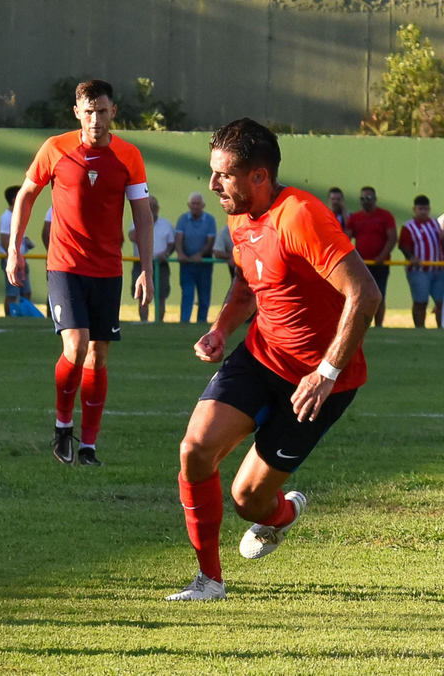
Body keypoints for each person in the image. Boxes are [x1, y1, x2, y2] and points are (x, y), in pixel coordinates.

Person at [168, 118, 379, 602]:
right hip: (261, 357)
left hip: (322, 383)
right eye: (213, 172)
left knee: (248, 501)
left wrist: (326, 372)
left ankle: (283, 513)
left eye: (223, 175)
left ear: (259, 177)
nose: (212, 184)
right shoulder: (239, 213)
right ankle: (209, 582)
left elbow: (364, 295)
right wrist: (221, 330)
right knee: (195, 450)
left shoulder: (301, 216)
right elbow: (248, 284)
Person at [7, 79, 154, 468]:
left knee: (98, 355)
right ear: (77, 113)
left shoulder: (129, 156)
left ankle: (88, 445)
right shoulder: (55, 148)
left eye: (102, 111)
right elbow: (26, 195)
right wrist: (13, 250)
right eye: (88, 112)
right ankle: (62, 425)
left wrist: (145, 269)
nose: (95, 119)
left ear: (113, 113)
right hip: (65, 265)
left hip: (108, 269)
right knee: (76, 345)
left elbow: (142, 214)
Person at [346, 187, 396, 327]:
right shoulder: (355, 217)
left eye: (368, 198)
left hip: (380, 264)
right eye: (362, 199)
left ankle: (379, 325)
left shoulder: (385, 216)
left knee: (379, 295)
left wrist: (381, 256)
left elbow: (392, 238)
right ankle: (361, 326)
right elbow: (345, 237)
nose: (365, 202)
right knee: (361, 296)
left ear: (375, 199)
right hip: (362, 264)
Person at [398, 195, 444, 329]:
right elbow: (403, 245)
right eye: (420, 209)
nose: (423, 212)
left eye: (426, 209)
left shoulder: (435, 224)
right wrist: (411, 257)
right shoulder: (409, 226)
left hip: (437, 269)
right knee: (420, 302)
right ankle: (420, 329)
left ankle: (440, 329)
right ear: (414, 209)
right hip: (419, 271)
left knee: (440, 302)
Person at [175, 191, 218, 325]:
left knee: (204, 295)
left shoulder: (210, 220)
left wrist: (200, 255)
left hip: (204, 263)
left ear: (203, 205)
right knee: (187, 293)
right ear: (189, 205)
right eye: (193, 203)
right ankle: (184, 322)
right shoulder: (183, 219)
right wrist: (180, 253)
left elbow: (210, 241)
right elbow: (178, 238)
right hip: (187, 264)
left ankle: (201, 322)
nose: (195, 206)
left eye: (198, 204)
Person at [131, 195, 176, 323]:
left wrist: (166, 254)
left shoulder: (166, 225)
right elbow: (131, 235)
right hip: (140, 264)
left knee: (161, 295)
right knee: (141, 294)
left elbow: (172, 244)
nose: (152, 209)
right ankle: (144, 321)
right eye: (149, 206)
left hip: (160, 264)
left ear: (158, 208)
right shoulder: (137, 221)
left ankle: (159, 321)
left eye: (154, 206)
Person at [0, 185, 35, 315]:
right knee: (12, 293)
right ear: (15, 199)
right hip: (12, 260)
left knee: (26, 292)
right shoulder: (7, 217)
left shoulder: (18, 215)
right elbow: (4, 240)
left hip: (22, 259)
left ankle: (24, 315)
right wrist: (14, 256)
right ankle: (10, 317)